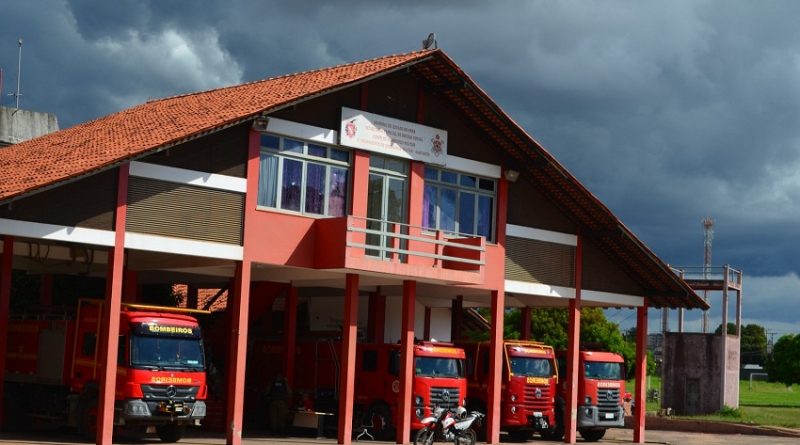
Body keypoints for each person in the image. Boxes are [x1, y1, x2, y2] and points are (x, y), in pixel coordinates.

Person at [266, 371, 292, 436]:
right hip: (282, 402)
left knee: (273, 418)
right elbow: (289, 392)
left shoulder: (272, 382)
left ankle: (274, 431)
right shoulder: (284, 383)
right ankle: (281, 432)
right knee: (282, 418)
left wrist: (267, 397)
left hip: (273, 401)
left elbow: (267, 391)